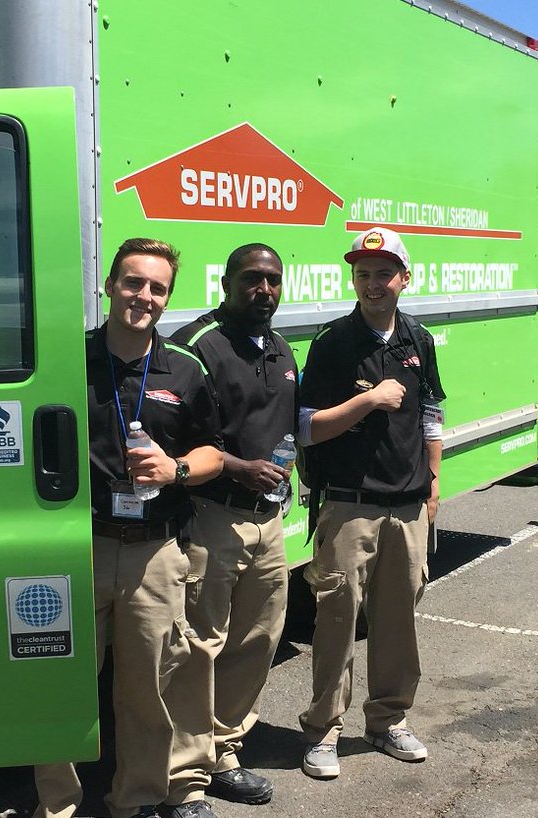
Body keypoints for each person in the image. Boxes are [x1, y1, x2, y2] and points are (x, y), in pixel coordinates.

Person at [34, 238, 224, 818]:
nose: (143, 296)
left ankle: (135, 800)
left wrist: (177, 469)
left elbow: (215, 450)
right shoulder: (66, 359)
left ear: (168, 299)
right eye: (133, 282)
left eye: (157, 287)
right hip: (78, 545)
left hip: (155, 550)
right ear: (110, 285)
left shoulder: (185, 370)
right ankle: (58, 804)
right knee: (63, 686)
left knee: (148, 690)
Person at [295, 227, 446, 779]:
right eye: (363, 273)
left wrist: (432, 481)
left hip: (406, 505)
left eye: (384, 273)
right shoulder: (333, 343)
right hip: (349, 506)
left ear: (405, 279)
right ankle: (323, 731)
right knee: (336, 618)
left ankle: (387, 721)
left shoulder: (418, 340)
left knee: (398, 620)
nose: (372, 283)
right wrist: (367, 400)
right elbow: (307, 428)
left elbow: (431, 412)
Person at [166, 244, 298, 812]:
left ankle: (224, 752)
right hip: (213, 519)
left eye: (272, 280)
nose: (263, 290)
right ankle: (183, 779)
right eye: (251, 279)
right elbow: (175, 435)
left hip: (269, 521)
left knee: (257, 641)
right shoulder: (198, 347)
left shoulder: (279, 347)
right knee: (198, 648)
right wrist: (238, 467)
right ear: (226, 282)